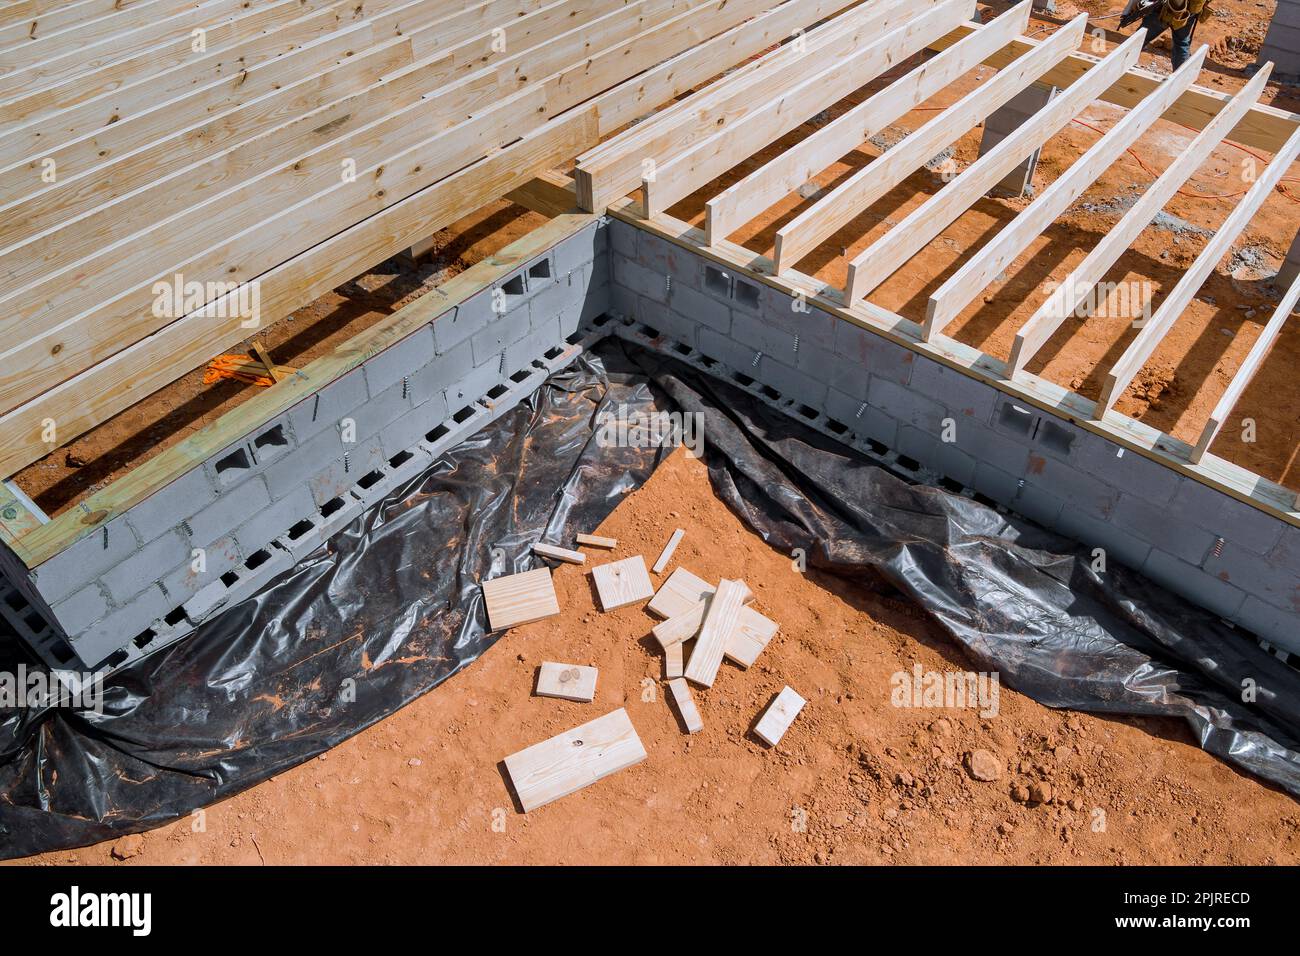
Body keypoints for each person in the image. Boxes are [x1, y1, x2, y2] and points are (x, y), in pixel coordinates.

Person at [1124, 0, 1213, 71]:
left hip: (1164, 11)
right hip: (1189, 11)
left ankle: (1121, 64)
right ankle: (1180, 79)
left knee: (1139, 39)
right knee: (1181, 44)